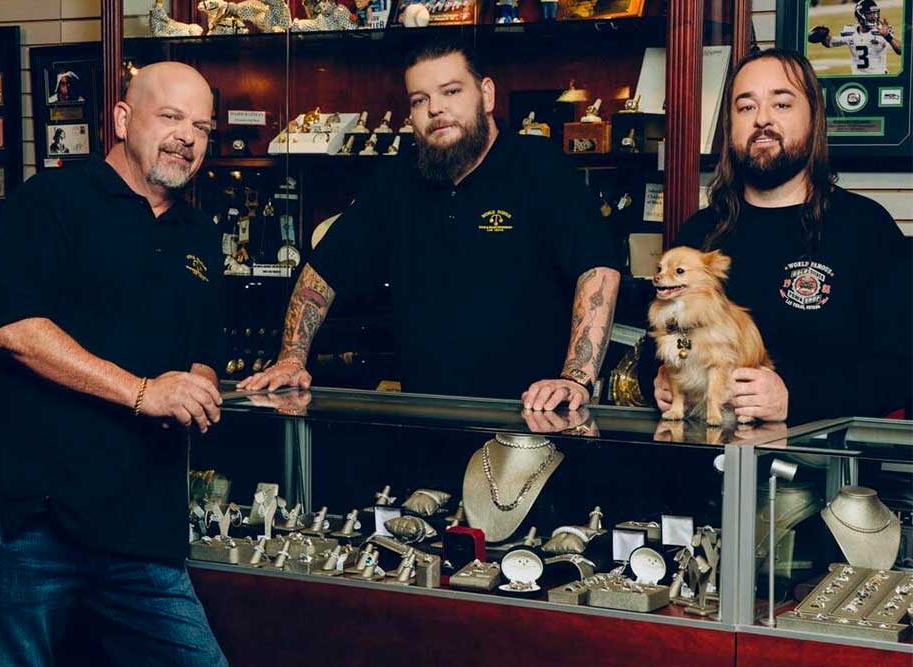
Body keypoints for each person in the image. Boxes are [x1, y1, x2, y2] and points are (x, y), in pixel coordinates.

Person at [0, 62, 228, 667]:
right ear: (123, 119)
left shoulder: (200, 236)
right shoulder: (50, 201)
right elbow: (14, 328)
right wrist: (144, 392)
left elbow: (205, 350)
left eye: (202, 127)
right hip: (31, 521)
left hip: (140, 526)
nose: (187, 137)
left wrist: (198, 387)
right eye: (171, 117)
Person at [241, 40, 620, 411]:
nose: (435, 108)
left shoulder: (540, 166)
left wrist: (576, 378)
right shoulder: (396, 179)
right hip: (427, 417)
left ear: (486, 94)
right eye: (419, 100)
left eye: (451, 91)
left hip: (530, 419)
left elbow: (597, 268)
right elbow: (322, 272)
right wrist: (291, 358)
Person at [643, 48, 911, 425]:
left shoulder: (865, 228)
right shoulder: (699, 234)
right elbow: (653, 344)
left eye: (781, 104)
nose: (762, 119)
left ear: (814, 118)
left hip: (822, 456)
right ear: (730, 127)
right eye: (746, 107)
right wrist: (660, 380)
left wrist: (795, 398)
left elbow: (899, 369)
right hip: (708, 452)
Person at [810, 0, 902, 75]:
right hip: (858, 78)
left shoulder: (882, 31)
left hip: (879, 77)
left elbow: (901, 50)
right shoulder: (850, 32)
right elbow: (830, 43)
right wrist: (822, 37)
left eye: (875, 13)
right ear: (860, 15)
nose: (874, 17)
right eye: (869, 14)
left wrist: (888, 36)